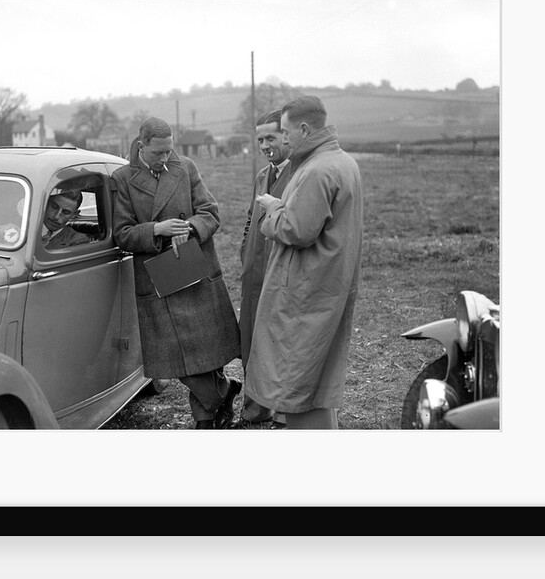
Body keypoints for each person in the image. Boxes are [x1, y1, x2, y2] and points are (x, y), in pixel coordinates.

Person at [111, 117, 242, 429]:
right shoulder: (122, 178)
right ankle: (222, 393)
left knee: (205, 352)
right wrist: (157, 229)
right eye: (159, 153)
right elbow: (122, 233)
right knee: (176, 358)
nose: (166, 158)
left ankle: (204, 419)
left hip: (194, 269)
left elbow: (210, 212)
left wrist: (191, 227)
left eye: (170, 151)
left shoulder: (186, 167)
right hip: (157, 280)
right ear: (141, 147)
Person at [246, 95, 363, 430]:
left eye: (284, 132)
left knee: (298, 378)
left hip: (306, 289)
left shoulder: (316, 170)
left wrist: (272, 211)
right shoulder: (341, 162)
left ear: (303, 128)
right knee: (316, 381)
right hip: (327, 282)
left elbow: (297, 230)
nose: (282, 139)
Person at [234, 109, 292, 429]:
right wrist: (246, 252)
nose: (265, 145)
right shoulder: (261, 176)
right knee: (252, 341)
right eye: (259, 139)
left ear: (288, 135)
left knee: (280, 343)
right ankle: (255, 409)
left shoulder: (301, 174)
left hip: (282, 274)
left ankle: (284, 413)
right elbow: (249, 220)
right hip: (253, 275)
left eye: (271, 137)